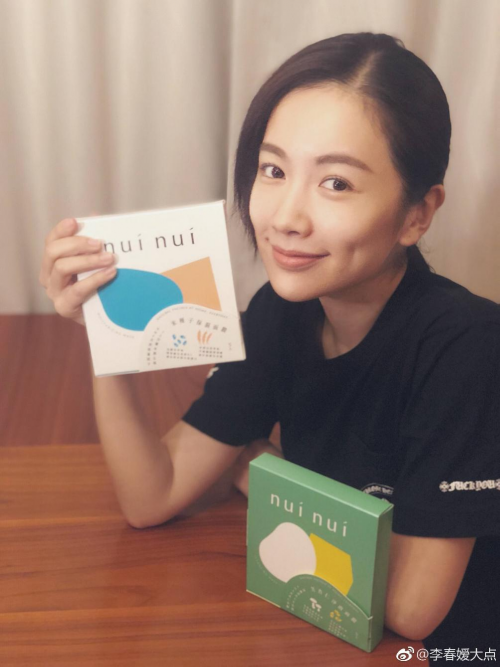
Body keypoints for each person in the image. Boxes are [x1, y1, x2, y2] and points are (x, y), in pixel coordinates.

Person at [39, 32, 499, 659]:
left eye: (336, 183)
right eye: (273, 170)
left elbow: (410, 609)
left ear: (417, 214)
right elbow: (152, 496)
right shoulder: (280, 313)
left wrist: (263, 474)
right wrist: (104, 331)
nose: (286, 217)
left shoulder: (469, 347)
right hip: (326, 624)